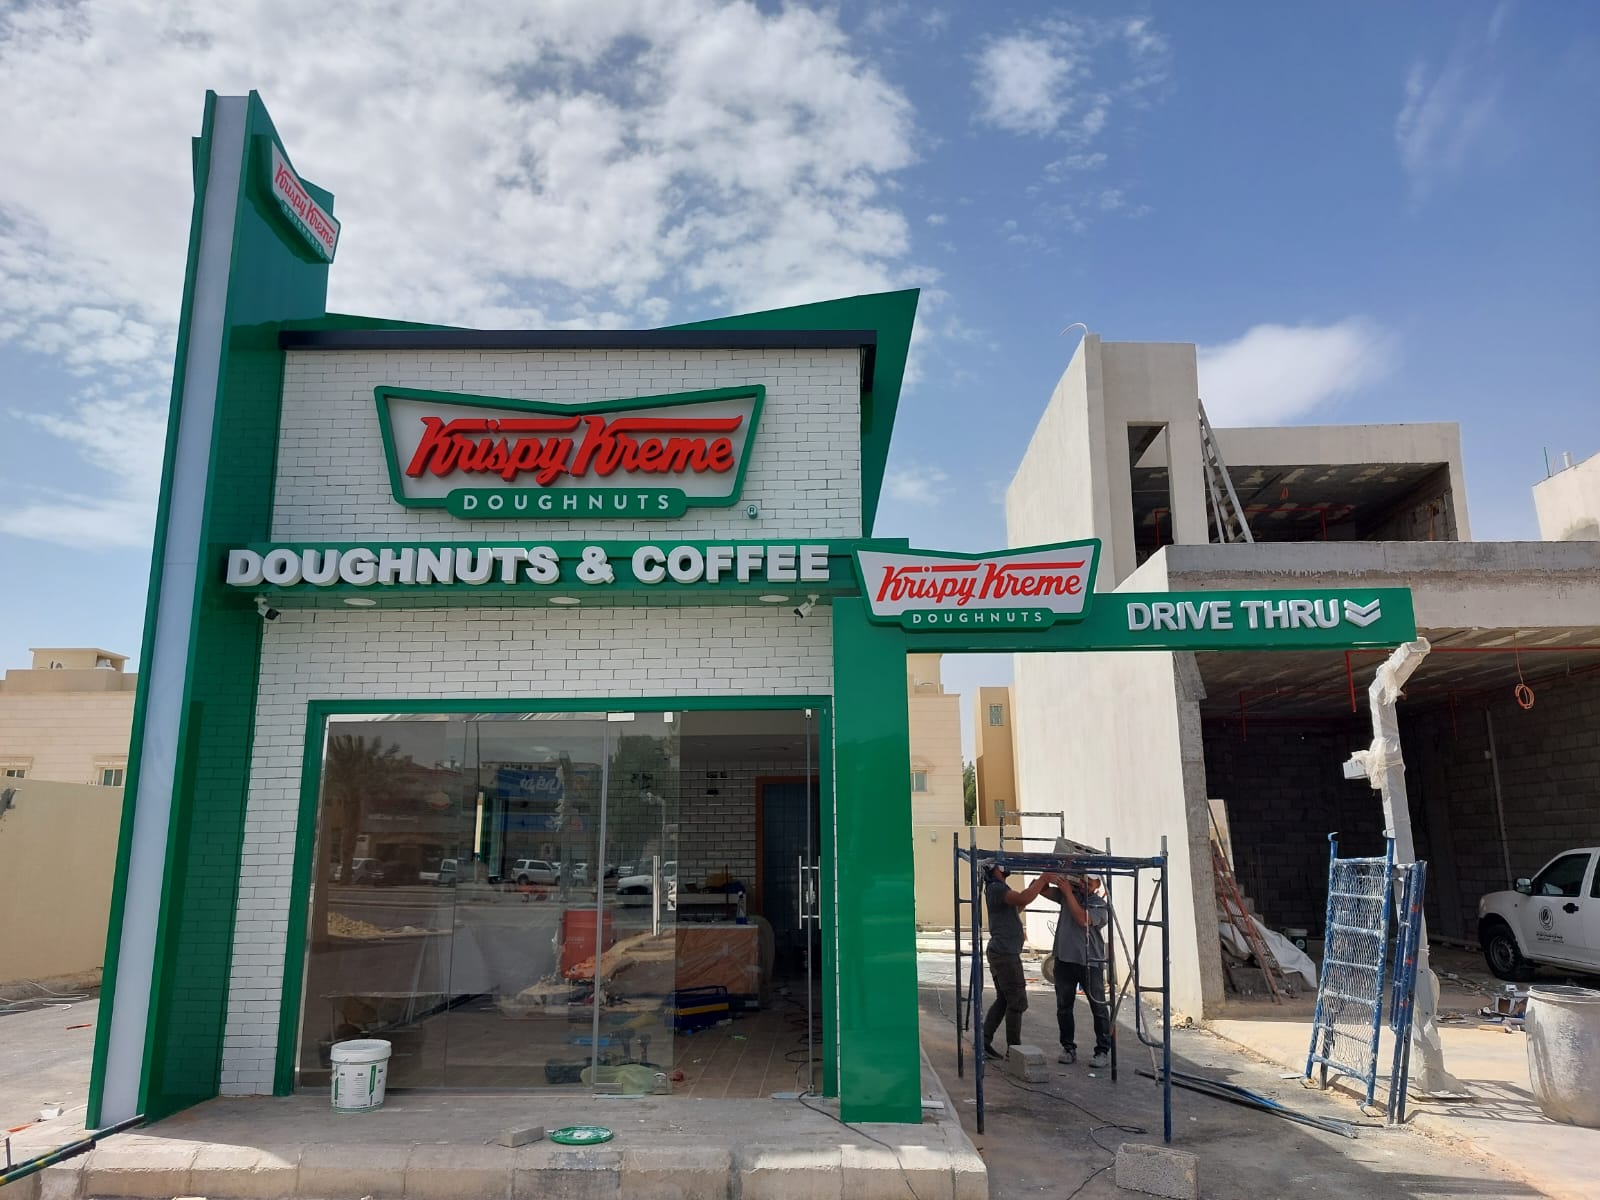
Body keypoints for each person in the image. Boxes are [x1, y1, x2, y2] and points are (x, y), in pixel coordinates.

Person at [981, 861, 1049, 1061]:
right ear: (994, 869)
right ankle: (1014, 1051)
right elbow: (1022, 898)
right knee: (1017, 1002)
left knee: (1004, 999)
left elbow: (1018, 905)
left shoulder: (998, 888)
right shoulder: (996, 888)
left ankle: (984, 1041)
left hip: (1003, 952)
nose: (1006, 866)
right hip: (1005, 954)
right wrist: (1043, 879)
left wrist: (1034, 888)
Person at [1042, 872, 1112, 1067]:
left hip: (1090, 962)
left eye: (1089, 883)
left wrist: (1067, 893)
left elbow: (1083, 919)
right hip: (1064, 959)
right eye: (1082, 881)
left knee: (1098, 1007)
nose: (1083, 885)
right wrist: (1048, 876)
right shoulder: (1069, 894)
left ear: (1097, 885)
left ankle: (1102, 1051)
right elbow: (1041, 890)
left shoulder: (1099, 904)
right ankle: (1068, 1047)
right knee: (1064, 1007)